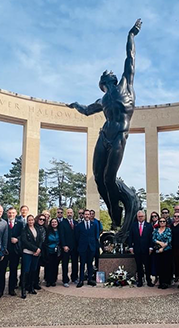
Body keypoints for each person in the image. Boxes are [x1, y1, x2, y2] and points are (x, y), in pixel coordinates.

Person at [68, 19, 142, 230]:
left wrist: (131, 35)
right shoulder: (103, 100)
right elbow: (87, 110)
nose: (107, 77)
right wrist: (76, 105)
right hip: (104, 137)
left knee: (110, 179)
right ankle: (114, 212)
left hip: (119, 135)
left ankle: (118, 214)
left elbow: (130, 58)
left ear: (113, 79)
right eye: (103, 79)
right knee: (98, 179)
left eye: (108, 76)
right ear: (102, 85)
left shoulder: (126, 86)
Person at [0, 207, 23, 298]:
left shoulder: (20, 224)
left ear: (16, 214)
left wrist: (17, 239)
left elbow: (22, 235)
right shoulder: (3, 223)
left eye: (13, 213)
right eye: (9, 213)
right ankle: (0, 290)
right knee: (2, 271)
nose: (11, 215)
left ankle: (11, 289)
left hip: (15, 251)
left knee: (13, 270)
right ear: (7, 214)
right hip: (4, 251)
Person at [128, 210, 154, 287]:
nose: (140, 218)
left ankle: (149, 280)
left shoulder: (149, 226)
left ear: (144, 216)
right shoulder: (133, 225)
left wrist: (151, 247)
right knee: (139, 265)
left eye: (142, 216)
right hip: (137, 248)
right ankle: (140, 280)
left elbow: (151, 237)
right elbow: (130, 237)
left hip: (146, 249)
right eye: (139, 216)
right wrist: (130, 247)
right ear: (137, 217)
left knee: (147, 265)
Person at [20, 215, 44, 298]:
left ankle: (31, 287)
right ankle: (23, 290)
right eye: (29, 220)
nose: (31, 222)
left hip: (36, 253)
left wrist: (39, 249)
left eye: (32, 220)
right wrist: (35, 248)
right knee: (25, 271)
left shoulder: (37, 229)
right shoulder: (24, 230)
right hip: (27, 252)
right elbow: (25, 241)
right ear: (27, 221)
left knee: (33, 270)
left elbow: (40, 239)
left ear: (34, 221)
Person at [75, 209, 98, 287]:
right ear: (83, 215)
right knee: (82, 264)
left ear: (90, 215)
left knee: (90, 264)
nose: (87, 216)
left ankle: (90, 279)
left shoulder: (94, 224)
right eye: (86, 214)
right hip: (82, 248)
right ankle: (81, 280)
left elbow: (95, 236)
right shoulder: (79, 225)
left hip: (91, 247)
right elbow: (77, 237)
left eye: (88, 214)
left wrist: (94, 246)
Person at [59, 208, 78, 287]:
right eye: (68, 213)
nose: (69, 214)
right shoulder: (63, 223)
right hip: (66, 247)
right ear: (66, 214)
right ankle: (65, 280)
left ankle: (74, 278)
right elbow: (61, 235)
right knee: (65, 264)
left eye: (71, 212)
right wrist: (64, 245)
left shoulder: (76, 223)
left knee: (75, 263)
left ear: (73, 213)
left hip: (75, 247)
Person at [152, 216, 172, 289]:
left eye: (164, 221)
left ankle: (165, 282)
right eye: (161, 221)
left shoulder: (168, 230)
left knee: (166, 267)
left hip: (166, 251)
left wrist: (163, 248)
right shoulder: (156, 230)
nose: (162, 223)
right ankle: (160, 281)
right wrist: (159, 243)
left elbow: (169, 240)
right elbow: (153, 239)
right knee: (159, 266)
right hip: (157, 250)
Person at [45, 218, 61, 287]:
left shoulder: (60, 231)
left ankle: (53, 280)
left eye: (55, 222)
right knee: (49, 266)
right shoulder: (48, 231)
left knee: (55, 266)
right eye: (52, 222)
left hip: (57, 251)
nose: (54, 223)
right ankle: (48, 280)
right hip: (49, 250)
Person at [34, 213, 48, 289]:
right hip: (35, 249)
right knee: (34, 267)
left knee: (38, 266)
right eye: (40, 219)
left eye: (43, 219)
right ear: (37, 219)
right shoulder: (34, 227)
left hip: (43, 249)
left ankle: (36, 282)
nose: (42, 221)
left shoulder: (45, 228)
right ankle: (31, 283)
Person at [149, 211, 160, 285]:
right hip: (151, 246)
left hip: (159, 246)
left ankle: (159, 278)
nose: (154, 218)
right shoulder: (150, 225)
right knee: (153, 263)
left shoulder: (160, 224)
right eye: (152, 216)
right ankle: (155, 277)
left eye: (155, 216)